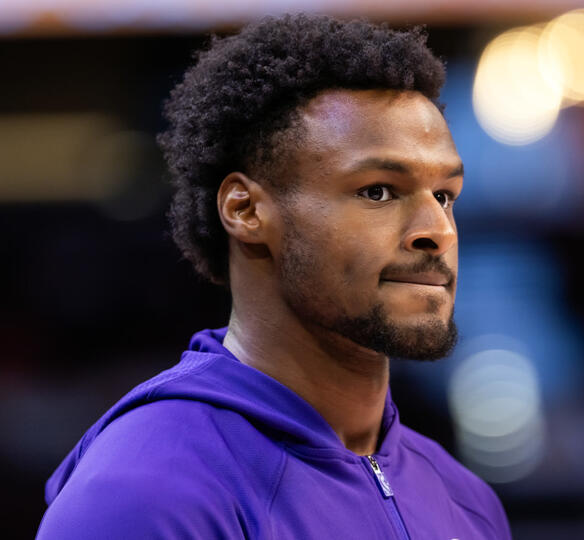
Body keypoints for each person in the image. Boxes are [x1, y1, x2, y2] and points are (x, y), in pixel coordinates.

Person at [37, 13, 510, 539]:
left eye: (444, 195)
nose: (438, 231)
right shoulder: (146, 493)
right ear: (245, 210)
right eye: (377, 191)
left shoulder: (465, 500)